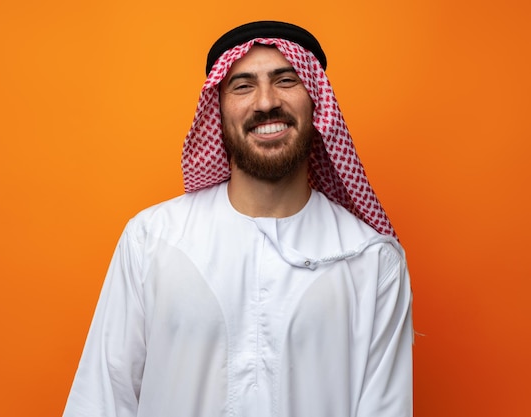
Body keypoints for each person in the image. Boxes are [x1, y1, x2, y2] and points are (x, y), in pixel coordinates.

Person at [63, 21, 413, 417]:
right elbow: (102, 400)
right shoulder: (152, 241)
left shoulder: (372, 261)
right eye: (242, 85)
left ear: (317, 101)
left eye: (286, 80)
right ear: (219, 109)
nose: (265, 102)